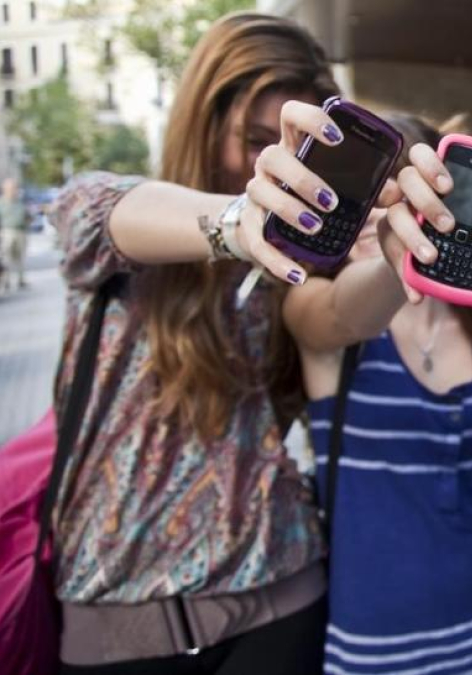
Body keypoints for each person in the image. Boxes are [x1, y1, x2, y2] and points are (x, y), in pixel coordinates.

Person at [44, 14, 439, 674]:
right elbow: (110, 214)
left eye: (291, 149)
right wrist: (236, 221)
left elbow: (339, 315)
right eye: (257, 141)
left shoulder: (297, 266)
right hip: (115, 623)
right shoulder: (113, 210)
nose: (272, 166)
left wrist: (402, 263)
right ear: (203, 117)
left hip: (281, 603)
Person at [280, 111, 472, 674]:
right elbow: (339, 312)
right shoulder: (318, 313)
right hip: (375, 650)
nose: (381, 215)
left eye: (405, 196)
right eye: (368, 193)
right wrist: (395, 262)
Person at [0, 178, 29, 292]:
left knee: (20, 257)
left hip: (20, 231)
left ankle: (21, 279)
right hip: (7, 232)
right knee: (6, 258)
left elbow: (27, 215)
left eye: (14, 188)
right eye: (10, 188)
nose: (13, 190)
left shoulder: (20, 202)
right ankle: (6, 281)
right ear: (4, 189)